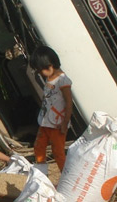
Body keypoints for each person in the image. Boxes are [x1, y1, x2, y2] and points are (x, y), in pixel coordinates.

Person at [30, 46, 73, 175]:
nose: (39, 73)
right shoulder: (49, 79)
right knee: (38, 147)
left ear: (49, 66)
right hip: (45, 122)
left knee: (58, 152)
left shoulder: (63, 81)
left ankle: (67, 177)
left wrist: (65, 122)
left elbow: (69, 102)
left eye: (39, 70)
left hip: (57, 124)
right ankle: (41, 175)